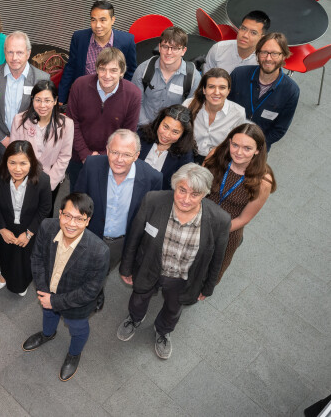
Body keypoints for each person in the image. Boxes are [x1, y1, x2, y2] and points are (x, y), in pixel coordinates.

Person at [116, 164, 230, 360]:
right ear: (175, 186)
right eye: (182, 190)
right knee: (138, 298)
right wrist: (126, 267)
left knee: (173, 308)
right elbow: (134, 237)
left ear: (204, 194)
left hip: (182, 278)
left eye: (194, 194)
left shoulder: (220, 220)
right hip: (149, 267)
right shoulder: (153, 201)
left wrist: (208, 287)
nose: (186, 199)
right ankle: (134, 319)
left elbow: (217, 258)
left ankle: (163, 331)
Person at [22, 193, 110, 382]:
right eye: (67, 216)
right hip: (47, 292)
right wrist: (44, 291)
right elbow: (36, 258)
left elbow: (90, 291)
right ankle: (48, 334)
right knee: (48, 314)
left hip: (76, 305)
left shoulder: (99, 251)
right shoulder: (47, 226)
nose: (71, 223)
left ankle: (74, 353)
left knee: (78, 329)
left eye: (79, 219)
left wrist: (54, 301)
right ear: (60, 213)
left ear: (88, 221)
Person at [75, 129, 162, 310]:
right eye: (114, 152)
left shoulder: (152, 178)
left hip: (120, 242)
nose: (119, 159)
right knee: (80, 265)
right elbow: (77, 200)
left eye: (126, 154)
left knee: (103, 270)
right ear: (107, 150)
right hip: (88, 234)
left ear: (137, 155)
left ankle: (97, 291)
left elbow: (150, 218)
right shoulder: (92, 165)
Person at [204, 123, 277, 282]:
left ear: (257, 150)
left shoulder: (263, 181)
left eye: (247, 148)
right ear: (229, 142)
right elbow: (199, 188)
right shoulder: (215, 155)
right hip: (200, 217)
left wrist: (216, 230)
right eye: (235, 145)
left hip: (228, 229)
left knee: (212, 268)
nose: (238, 152)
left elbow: (244, 219)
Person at [65, 47, 141, 190]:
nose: (107, 75)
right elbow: (71, 123)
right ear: (96, 69)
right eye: (102, 69)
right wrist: (85, 155)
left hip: (111, 160)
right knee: (76, 198)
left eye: (113, 70)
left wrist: (101, 157)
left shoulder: (133, 95)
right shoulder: (79, 85)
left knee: (101, 200)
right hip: (78, 157)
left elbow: (127, 134)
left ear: (122, 72)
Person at [0, 141, 52, 295]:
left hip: (29, 225)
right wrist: (2, 229)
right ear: (6, 162)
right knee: (5, 251)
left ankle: (23, 281)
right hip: (5, 223)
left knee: (25, 256)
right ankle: (4, 273)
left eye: (23, 163)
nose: (17, 169)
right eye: (12, 163)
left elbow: (45, 209)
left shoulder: (43, 180)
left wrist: (30, 233)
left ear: (32, 162)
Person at [0, 31, 50, 158]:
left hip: (30, 146)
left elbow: (44, 115)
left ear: (28, 54)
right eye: (10, 52)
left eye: (19, 52)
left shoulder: (41, 79)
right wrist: (3, 139)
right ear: (5, 53)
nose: (14, 58)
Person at [10, 80, 73, 212]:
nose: (42, 105)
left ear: (55, 101)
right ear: (32, 100)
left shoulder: (66, 124)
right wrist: (22, 179)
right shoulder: (19, 120)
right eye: (38, 100)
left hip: (51, 181)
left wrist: (48, 184)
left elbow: (64, 157)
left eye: (47, 100)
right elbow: (14, 153)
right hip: (22, 179)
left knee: (44, 217)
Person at [228, 32, 299, 149]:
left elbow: (279, 129)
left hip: (257, 147)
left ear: (284, 56)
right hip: (227, 136)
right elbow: (223, 105)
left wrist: (254, 146)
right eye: (264, 52)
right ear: (257, 54)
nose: (268, 58)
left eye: (275, 54)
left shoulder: (291, 91)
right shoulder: (238, 74)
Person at [58, 0, 137, 104]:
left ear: (113, 20)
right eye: (93, 20)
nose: (97, 25)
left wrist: (123, 97)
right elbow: (71, 68)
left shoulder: (127, 41)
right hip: (84, 96)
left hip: (113, 97)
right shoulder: (79, 38)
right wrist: (61, 99)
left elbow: (130, 72)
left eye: (103, 20)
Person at [133, 27, 202, 124]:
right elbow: (136, 103)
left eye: (175, 48)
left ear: (183, 51)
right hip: (143, 127)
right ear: (159, 47)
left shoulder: (193, 78)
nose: (169, 52)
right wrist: (145, 125)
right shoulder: (144, 69)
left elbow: (190, 110)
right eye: (165, 46)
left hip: (173, 132)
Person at [183, 68, 246, 163]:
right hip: (186, 155)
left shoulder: (238, 113)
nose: (216, 92)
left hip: (217, 160)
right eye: (211, 87)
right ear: (204, 90)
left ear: (228, 91)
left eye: (222, 87)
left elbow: (236, 143)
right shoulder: (188, 105)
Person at [137, 105, 196, 189]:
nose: (166, 135)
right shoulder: (141, 135)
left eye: (175, 132)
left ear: (183, 135)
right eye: (165, 127)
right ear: (159, 122)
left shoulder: (185, 155)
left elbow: (179, 187)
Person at [202, 10, 270, 73]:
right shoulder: (218, 48)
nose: (245, 35)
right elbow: (206, 77)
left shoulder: (263, 61)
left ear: (261, 38)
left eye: (253, 33)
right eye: (243, 29)